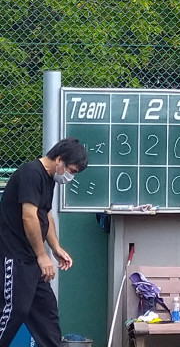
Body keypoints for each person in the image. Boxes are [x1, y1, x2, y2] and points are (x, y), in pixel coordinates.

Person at [0, 137, 88, 347]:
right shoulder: (31, 173)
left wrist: (55, 248)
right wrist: (42, 256)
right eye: (72, 170)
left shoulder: (48, 178)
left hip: (32, 262)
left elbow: (44, 214)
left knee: (46, 314)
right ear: (59, 159)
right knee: (14, 310)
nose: (71, 177)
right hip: (15, 257)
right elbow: (28, 216)